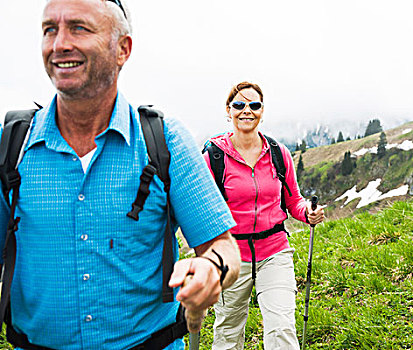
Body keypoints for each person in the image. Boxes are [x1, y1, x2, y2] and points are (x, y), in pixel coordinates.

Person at [0, 0, 240, 349]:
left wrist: (211, 270)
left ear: (122, 49)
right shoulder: (12, 145)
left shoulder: (164, 140)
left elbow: (223, 247)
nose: (59, 44)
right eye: (50, 29)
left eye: (79, 28)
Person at [203, 82, 325, 349]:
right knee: (227, 334)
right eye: (239, 105)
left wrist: (308, 213)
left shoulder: (279, 154)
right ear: (228, 110)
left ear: (262, 111)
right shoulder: (213, 157)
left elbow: (293, 200)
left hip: (274, 252)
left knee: (281, 327)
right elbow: (203, 210)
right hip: (232, 256)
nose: (247, 110)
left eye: (254, 105)